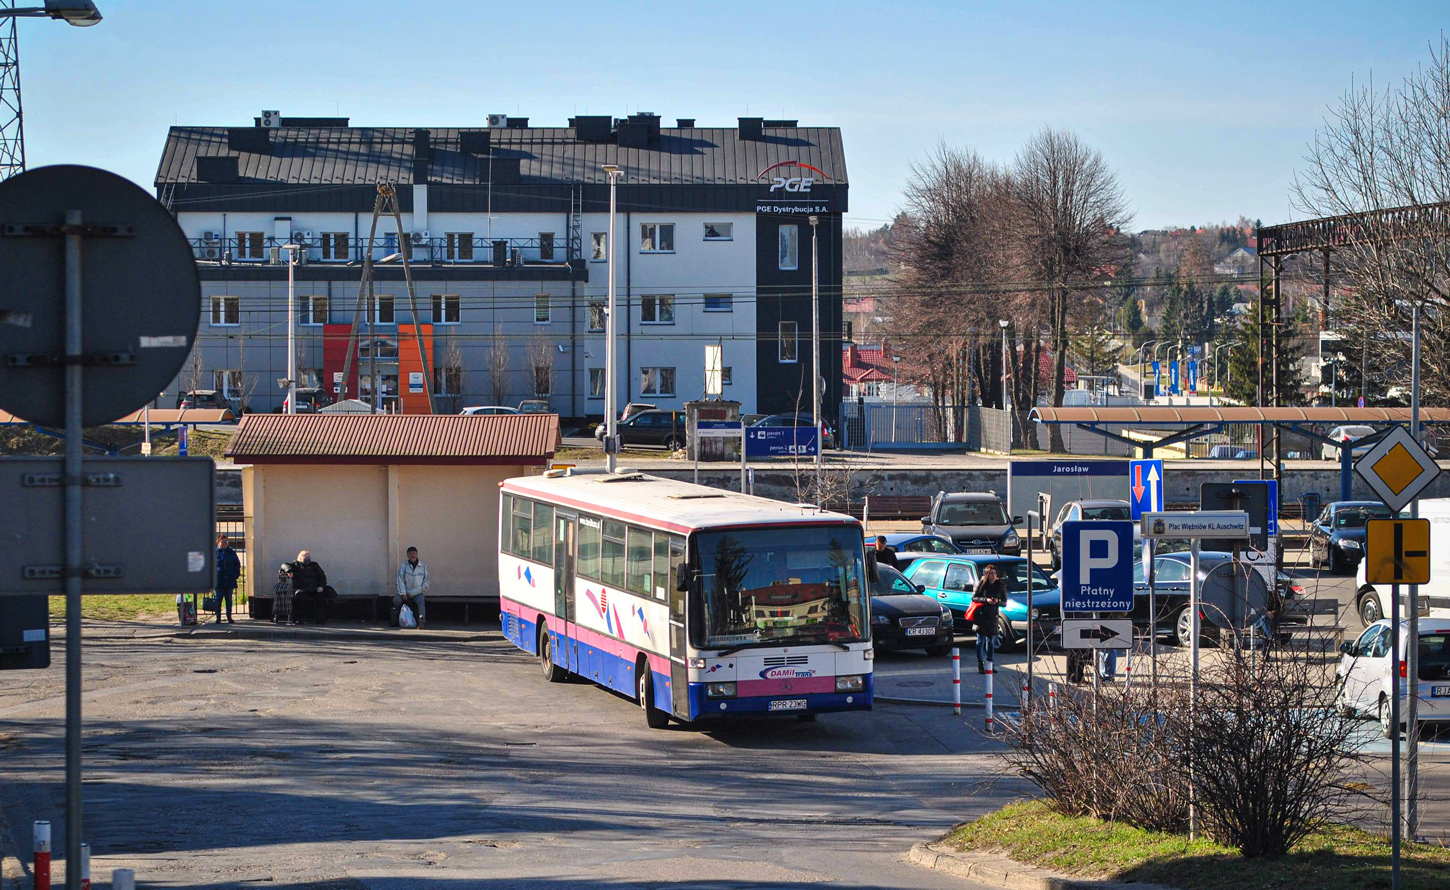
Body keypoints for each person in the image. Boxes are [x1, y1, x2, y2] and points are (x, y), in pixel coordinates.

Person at [971, 563, 1006, 673]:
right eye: (991, 573)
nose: (993, 575)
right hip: (981, 616)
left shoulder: (1000, 585)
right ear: (987, 574)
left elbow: (1004, 602)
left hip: (993, 617)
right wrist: (986, 600)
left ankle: (990, 663)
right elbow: (974, 598)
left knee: (991, 642)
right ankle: (980, 663)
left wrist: (997, 602)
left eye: (995, 573)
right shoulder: (982, 584)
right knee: (980, 641)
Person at [286, 550, 335, 625]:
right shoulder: (295, 565)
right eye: (305, 556)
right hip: (301, 588)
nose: (307, 558)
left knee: (321, 598)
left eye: (309, 557)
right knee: (300, 598)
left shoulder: (314, 565)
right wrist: (288, 570)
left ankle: (320, 619)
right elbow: (284, 565)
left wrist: (321, 586)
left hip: (314, 588)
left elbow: (322, 576)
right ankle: (300, 619)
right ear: (300, 557)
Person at [394, 546, 429, 629]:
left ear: (417, 554)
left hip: (418, 592)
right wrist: (403, 593)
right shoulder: (404, 566)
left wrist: (418, 591)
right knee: (396, 600)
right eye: (410, 554)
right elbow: (400, 580)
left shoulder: (423, 567)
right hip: (405, 592)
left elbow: (426, 581)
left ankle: (421, 621)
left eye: (414, 553)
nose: (412, 555)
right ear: (407, 555)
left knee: (421, 601)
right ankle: (399, 619)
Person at [214, 533, 241, 624]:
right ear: (218, 542)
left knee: (228, 600)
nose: (225, 543)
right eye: (223, 541)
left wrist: (235, 575)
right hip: (218, 580)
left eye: (226, 541)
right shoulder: (215, 553)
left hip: (229, 580)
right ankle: (218, 617)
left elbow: (237, 564)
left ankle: (229, 616)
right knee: (218, 599)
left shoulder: (231, 552)